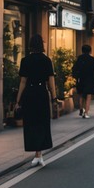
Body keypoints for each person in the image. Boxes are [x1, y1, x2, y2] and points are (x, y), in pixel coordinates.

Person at [15, 34, 56, 166]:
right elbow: (51, 81)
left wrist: (18, 100)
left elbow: (23, 81)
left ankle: (37, 154)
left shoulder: (25, 60)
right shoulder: (46, 60)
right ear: (42, 45)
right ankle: (39, 153)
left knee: (31, 122)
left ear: (30, 45)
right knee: (42, 121)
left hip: (29, 93)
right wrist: (54, 97)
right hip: (41, 93)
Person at [72, 44, 94, 118]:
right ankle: (86, 113)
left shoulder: (79, 59)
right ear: (90, 51)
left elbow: (74, 69)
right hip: (90, 79)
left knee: (81, 95)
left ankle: (81, 109)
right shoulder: (93, 60)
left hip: (81, 79)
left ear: (82, 50)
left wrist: (76, 78)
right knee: (88, 96)